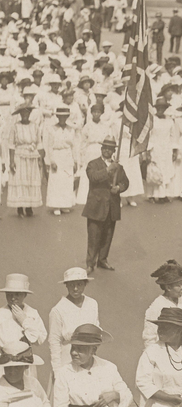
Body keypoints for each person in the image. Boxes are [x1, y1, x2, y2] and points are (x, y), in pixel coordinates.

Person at [54, 324, 132, 407]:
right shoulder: (64, 373)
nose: (73, 352)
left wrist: (115, 395)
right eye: (73, 347)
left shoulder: (108, 367)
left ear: (93, 350)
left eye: (80, 349)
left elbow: (127, 395)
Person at [81, 135, 129, 273]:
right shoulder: (93, 164)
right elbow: (93, 177)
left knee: (107, 235)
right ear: (101, 149)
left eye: (110, 149)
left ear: (114, 151)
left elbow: (126, 182)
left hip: (112, 206)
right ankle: (90, 263)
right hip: (96, 206)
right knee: (93, 236)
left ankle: (103, 260)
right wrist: (108, 170)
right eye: (105, 148)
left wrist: (119, 188)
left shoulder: (119, 167)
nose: (107, 151)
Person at [48, 267, 99, 373]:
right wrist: (57, 371)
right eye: (71, 284)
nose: (75, 288)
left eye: (79, 284)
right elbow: (54, 342)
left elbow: (96, 328)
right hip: (68, 358)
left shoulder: (92, 304)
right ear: (66, 285)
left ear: (85, 284)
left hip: (89, 357)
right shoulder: (58, 310)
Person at [143, 260, 182, 348]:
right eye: (179, 285)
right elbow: (149, 338)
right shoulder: (157, 306)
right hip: (163, 350)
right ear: (168, 287)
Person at [7, 103, 44, 217]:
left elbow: (39, 143)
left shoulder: (35, 126)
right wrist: (11, 161)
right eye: (22, 113)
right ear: (20, 114)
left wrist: (40, 159)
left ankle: (29, 207)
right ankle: (19, 207)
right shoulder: (15, 126)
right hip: (19, 156)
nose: (25, 115)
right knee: (20, 180)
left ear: (29, 113)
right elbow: (11, 144)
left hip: (32, 156)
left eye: (27, 113)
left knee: (30, 180)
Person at [43, 107, 77, 216]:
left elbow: (74, 146)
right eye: (60, 116)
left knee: (66, 180)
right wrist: (51, 160)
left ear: (67, 117)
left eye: (65, 116)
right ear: (57, 116)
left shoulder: (71, 129)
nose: (62, 118)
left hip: (67, 156)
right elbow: (48, 146)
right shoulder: (51, 129)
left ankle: (65, 204)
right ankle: (56, 205)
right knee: (56, 180)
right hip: (56, 155)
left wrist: (75, 160)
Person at [0, 274, 47, 348]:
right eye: (9, 294)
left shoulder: (32, 313)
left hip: (25, 357)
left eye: (17, 294)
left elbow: (39, 339)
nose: (13, 298)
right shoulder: (1, 313)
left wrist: (24, 320)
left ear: (24, 295)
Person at [0, 341, 49, 407]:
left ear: (26, 366)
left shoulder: (33, 383)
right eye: (8, 367)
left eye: (17, 367)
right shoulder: (2, 389)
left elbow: (45, 402)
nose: (12, 371)